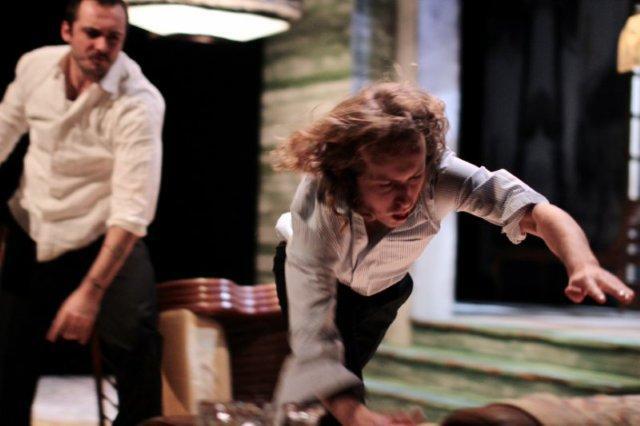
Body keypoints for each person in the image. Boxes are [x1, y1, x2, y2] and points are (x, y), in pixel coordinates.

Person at [271, 82, 636, 426]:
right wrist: (357, 416)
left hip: (383, 291)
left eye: (413, 178)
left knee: (338, 383)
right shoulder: (322, 199)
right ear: (350, 176)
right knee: (331, 380)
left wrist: (582, 263)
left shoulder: (441, 176)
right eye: (387, 184)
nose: (406, 197)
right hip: (318, 274)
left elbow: (537, 212)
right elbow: (314, 330)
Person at [0, 0, 164, 424]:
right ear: (67, 31)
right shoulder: (35, 67)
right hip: (33, 222)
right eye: (92, 33)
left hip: (102, 231)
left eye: (114, 37)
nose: (102, 46)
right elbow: (4, 130)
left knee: (137, 338)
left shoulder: (139, 102)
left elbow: (132, 212)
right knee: (8, 354)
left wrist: (90, 292)